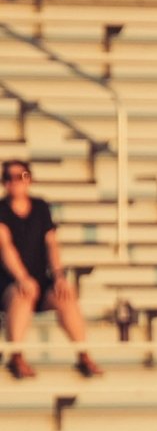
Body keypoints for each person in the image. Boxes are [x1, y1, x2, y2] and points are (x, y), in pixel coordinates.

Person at [0, 159, 100, 380]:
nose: (15, 182)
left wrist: (58, 276)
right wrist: (22, 278)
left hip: (40, 279)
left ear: (29, 179)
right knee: (23, 294)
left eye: (21, 176)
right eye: (9, 177)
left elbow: (52, 244)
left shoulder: (41, 207)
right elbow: (5, 246)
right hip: (9, 282)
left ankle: (83, 355)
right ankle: (16, 357)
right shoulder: (2, 210)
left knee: (65, 295)